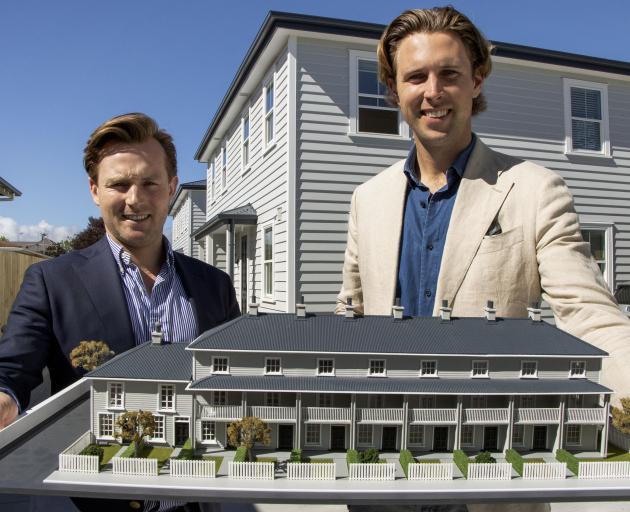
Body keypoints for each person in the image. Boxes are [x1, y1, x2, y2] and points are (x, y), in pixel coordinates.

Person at [336, 7, 630, 512]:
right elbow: (351, 320)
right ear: (393, 89)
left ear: (477, 79)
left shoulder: (535, 190)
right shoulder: (368, 198)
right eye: (416, 76)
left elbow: (590, 317)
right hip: (380, 475)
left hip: (491, 476)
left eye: (449, 74)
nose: (433, 91)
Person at [0, 113, 239, 512]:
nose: (135, 198)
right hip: (92, 503)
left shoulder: (214, 286)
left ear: (171, 187)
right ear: (95, 190)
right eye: (119, 184)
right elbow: (10, 370)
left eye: (149, 182)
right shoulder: (50, 282)